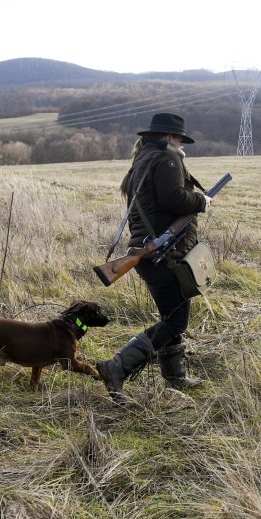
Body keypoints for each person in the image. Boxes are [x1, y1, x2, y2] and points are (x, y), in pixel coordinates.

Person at [98, 113, 211, 401]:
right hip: (165, 253)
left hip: (152, 252)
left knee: (170, 316)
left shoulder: (143, 161)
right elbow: (174, 198)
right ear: (168, 138)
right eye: (178, 138)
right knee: (175, 322)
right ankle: (117, 367)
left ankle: (176, 378)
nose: (181, 143)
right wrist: (202, 201)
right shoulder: (168, 160)